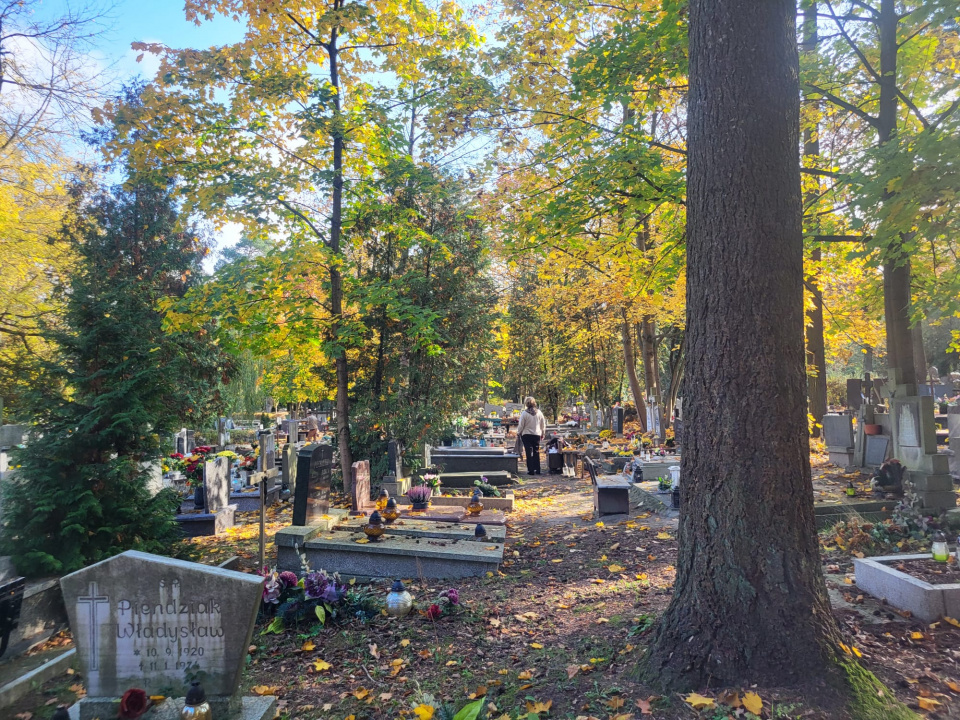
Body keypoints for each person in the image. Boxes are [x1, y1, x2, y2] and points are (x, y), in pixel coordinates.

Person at [516, 396, 546, 475]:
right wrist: (543, 433)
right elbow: (543, 424)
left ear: (526, 403)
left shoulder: (524, 413)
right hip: (536, 434)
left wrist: (518, 432)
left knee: (528, 452)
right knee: (536, 451)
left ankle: (531, 470)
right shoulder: (539, 413)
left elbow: (521, 425)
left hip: (526, 434)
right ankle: (538, 469)